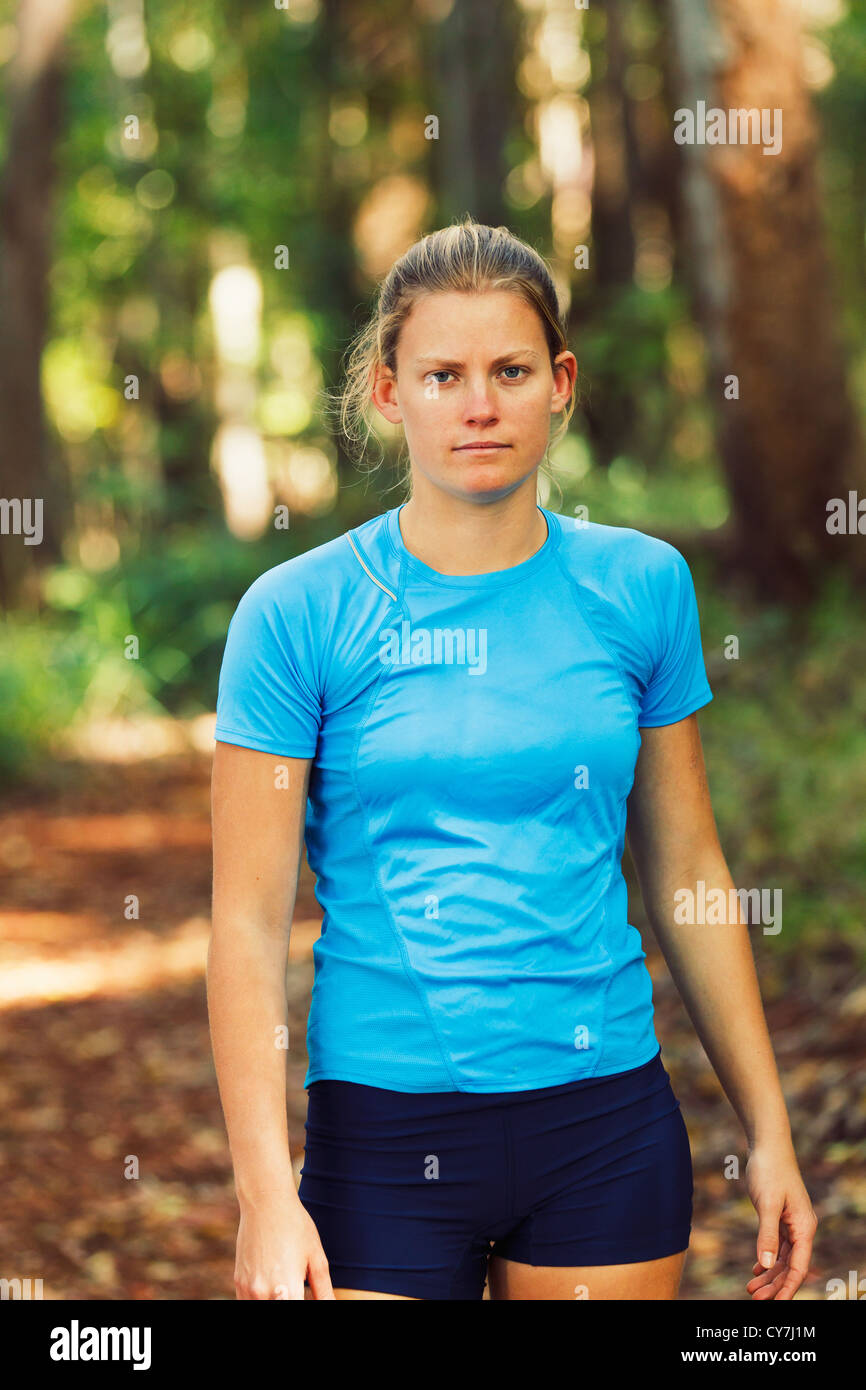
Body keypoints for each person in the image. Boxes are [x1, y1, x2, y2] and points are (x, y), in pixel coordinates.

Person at [208, 218, 817, 1301]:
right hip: (383, 1137)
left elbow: (687, 875)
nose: (478, 404)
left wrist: (766, 1130)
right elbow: (247, 923)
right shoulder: (297, 613)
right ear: (389, 392)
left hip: (603, 1131)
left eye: (509, 370)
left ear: (560, 382)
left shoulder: (639, 588)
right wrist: (264, 1188)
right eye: (442, 373)